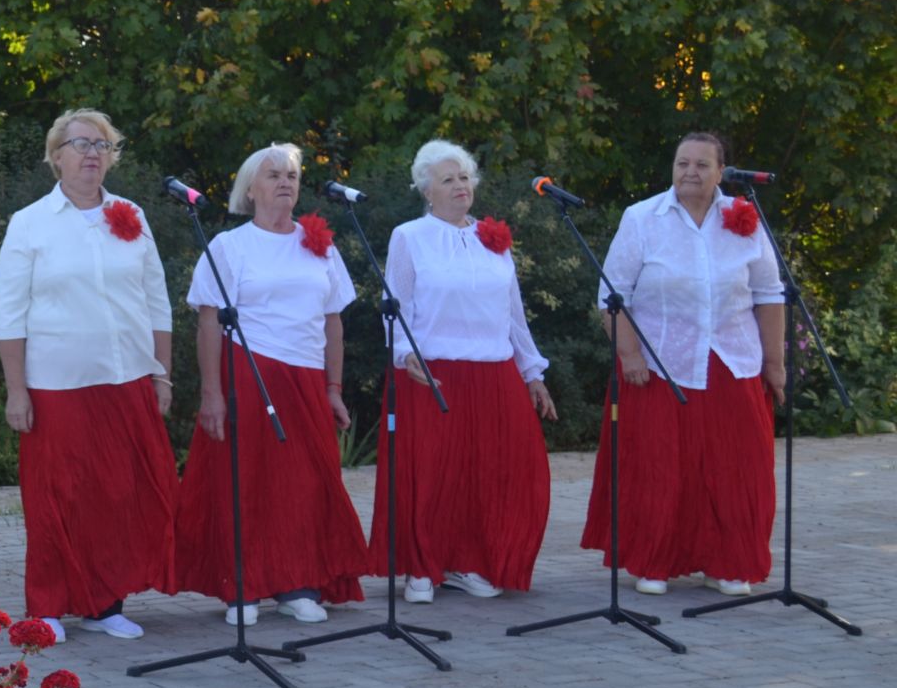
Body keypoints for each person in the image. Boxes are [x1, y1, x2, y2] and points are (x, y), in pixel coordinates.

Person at [0, 109, 178, 642]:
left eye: (102, 145)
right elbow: (8, 314)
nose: (93, 153)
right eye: (80, 144)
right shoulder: (29, 224)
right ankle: (46, 604)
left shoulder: (131, 214)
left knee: (117, 494)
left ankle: (103, 602)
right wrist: (16, 390)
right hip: (56, 384)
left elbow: (156, 301)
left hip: (127, 380)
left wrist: (161, 375)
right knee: (57, 495)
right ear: (56, 157)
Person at [172, 142, 370, 624]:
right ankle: (243, 587)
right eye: (273, 175)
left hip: (305, 379)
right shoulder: (229, 246)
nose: (285, 182)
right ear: (250, 188)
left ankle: (295, 583)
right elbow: (207, 323)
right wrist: (213, 395)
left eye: (292, 175)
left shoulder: (319, 244)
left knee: (304, 484)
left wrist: (333, 387)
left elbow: (333, 323)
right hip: (248, 373)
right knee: (246, 481)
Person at [582, 131, 785, 595]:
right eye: (682, 163)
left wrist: (774, 364)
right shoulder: (642, 218)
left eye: (701, 165)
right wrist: (629, 353)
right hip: (658, 364)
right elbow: (611, 296)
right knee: (659, 468)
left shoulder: (744, 218)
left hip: (732, 362)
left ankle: (728, 563)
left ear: (721, 172)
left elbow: (769, 295)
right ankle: (653, 562)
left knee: (736, 468)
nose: (689, 172)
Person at [367, 140, 558, 604]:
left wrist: (532, 372)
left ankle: (471, 561)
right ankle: (423, 567)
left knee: (496, 472)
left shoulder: (493, 238)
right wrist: (402, 353)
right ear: (426, 191)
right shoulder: (409, 236)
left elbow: (513, 312)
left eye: (465, 177)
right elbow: (397, 305)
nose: (460, 186)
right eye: (448, 179)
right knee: (433, 474)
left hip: (494, 371)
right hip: (432, 372)